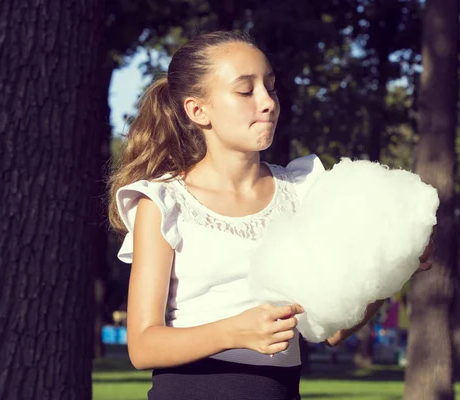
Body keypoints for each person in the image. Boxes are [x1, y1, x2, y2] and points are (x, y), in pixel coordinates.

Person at [108, 30, 434, 400]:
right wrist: (234, 332)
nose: (267, 102)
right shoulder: (164, 201)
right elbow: (143, 345)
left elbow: (332, 329)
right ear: (198, 111)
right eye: (245, 91)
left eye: (271, 87)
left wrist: (395, 266)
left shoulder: (301, 192)